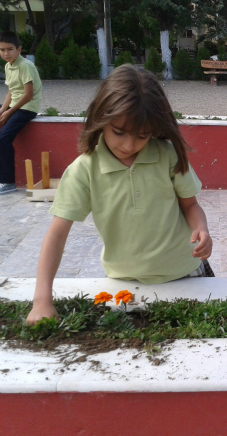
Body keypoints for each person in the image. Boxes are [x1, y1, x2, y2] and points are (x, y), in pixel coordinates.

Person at [26, 65, 213, 324]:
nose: (128, 145)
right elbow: (57, 235)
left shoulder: (168, 155)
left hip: (186, 275)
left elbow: (190, 205)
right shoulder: (84, 170)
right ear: (100, 119)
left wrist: (201, 228)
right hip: (122, 285)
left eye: (142, 135)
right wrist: (41, 301)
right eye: (118, 132)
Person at [0, 31, 42, 194]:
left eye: (10, 49)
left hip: (26, 108)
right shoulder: (8, 66)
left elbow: (27, 95)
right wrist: (3, 110)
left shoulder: (25, 66)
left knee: (3, 139)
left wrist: (9, 113)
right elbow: (12, 90)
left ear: (19, 49)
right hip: (14, 107)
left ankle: (8, 182)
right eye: (2, 50)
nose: (6, 53)